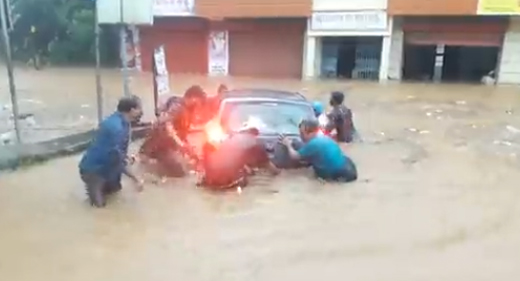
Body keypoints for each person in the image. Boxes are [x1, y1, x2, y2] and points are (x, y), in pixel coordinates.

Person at [79, 95, 144, 208]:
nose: (141, 111)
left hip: (109, 168)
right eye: (139, 108)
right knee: (98, 209)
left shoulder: (123, 122)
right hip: (94, 171)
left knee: (115, 193)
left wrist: (126, 158)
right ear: (132, 110)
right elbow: (116, 157)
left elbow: (118, 152)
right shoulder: (116, 128)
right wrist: (135, 178)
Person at [139, 85, 206, 177]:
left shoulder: (187, 108)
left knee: (192, 160)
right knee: (180, 172)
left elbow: (183, 129)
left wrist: (187, 146)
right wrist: (180, 144)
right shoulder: (177, 107)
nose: (199, 106)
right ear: (193, 98)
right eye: (199, 102)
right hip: (160, 145)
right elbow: (166, 124)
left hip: (169, 143)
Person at [199, 126, 280, 190]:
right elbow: (273, 170)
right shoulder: (255, 146)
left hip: (209, 184)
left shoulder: (227, 142)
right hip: (230, 186)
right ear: (255, 136)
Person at [280, 118, 357, 182]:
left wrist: (288, 144)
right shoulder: (324, 137)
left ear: (310, 133)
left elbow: (294, 156)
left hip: (338, 175)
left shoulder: (313, 144)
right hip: (349, 168)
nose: (300, 137)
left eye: (302, 134)